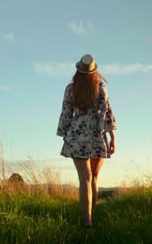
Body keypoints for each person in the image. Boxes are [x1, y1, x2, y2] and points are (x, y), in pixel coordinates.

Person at [56, 53, 117, 228]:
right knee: (94, 178)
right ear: (94, 72)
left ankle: (87, 221)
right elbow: (108, 113)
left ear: (78, 71)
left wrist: (65, 135)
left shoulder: (70, 88)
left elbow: (66, 114)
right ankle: (92, 216)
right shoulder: (101, 88)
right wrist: (112, 138)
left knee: (85, 179)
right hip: (97, 136)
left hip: (77, 136)